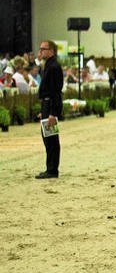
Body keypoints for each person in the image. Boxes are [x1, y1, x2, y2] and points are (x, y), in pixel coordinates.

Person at [35, 40, 63, 179]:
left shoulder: (54, 67)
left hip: (51, 105)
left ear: (51, 50)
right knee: (47, 138)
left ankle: (52, 170)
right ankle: (50, 168)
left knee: (51, 138)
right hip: (47, 105)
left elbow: (55, 92)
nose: (40, 51)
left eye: (43, 49)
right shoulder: (48, 66)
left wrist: (53, 113)